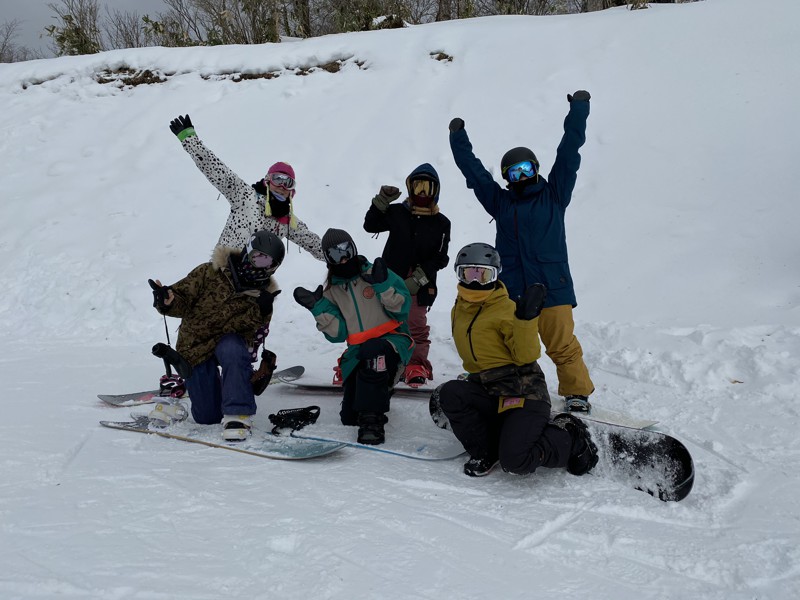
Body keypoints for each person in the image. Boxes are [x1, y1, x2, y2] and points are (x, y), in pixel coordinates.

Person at [447, 90, 595, 412]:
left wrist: (579, 109)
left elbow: (569, 151)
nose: (521, 177)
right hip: (513, 289)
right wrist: (458, 139)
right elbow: (475, 175)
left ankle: (576, 392)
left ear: (537, 169)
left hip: (552, 286)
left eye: (526, 169)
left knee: (562, 345)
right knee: (509, 344)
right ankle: (505, 384)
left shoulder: (555, 194)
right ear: (506, 178)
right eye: (514, 173)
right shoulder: (501, 203)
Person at [431, 243, 598, 478]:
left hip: (522, 392)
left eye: (483, 274)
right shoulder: (460, 307)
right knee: (449, 393)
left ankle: (570, 435)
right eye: (469, 273)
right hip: (488, 389)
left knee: (516, 461)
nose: (476, 282)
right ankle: (485, 451)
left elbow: (526, 356)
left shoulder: (507, 309)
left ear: (496, 275)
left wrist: (526, 320)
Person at [148, 230, 285, 441]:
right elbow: (181, 300)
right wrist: (167, 301)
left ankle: (238, 412)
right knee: (207, 417)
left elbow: (250, 334)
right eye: (257, 256)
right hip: (195, 345)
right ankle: (210, 390)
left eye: (268, 261)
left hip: (228, 343)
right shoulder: (210, 272)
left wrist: (260, 310)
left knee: (232, 347)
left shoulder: (264, 296)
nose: (261, 265)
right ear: (248, 252)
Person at [293, 228, 413, 445]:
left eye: (345, 251)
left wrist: (383, 285)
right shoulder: (332, 291)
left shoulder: (375, 274)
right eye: (335, 255)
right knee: (349, 418)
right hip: (359, 353)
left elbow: (402, 310)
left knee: (373, 352)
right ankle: (379, 388)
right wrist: (318, 308)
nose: (344, 259)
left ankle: (373, 423)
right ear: (328, 259)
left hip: (393, 342)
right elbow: (338, 335)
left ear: (353, 248)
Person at [168, 114, 325, 260]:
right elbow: (217, 171)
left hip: (254, 284)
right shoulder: (246, 196)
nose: (283, 186)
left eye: (288, 182)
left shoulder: (288, 222)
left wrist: (343, 256)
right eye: (278, 179)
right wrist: (190, 140)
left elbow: (314, 244)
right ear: (268, 180)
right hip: (223, 274)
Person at [363, 163, 451, 387]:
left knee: (415, 325)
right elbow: (370, 225)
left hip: (420, 284)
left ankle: (416, 365)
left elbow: (441, 257)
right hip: (389, 278)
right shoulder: (398, 213)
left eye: (427, 188)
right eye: (418, 186)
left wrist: (420, 277)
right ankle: (372, 361)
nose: (422, 193)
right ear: (410, 188)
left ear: (436, 191)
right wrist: (382, 201)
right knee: (379, 321)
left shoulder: (442, 223)